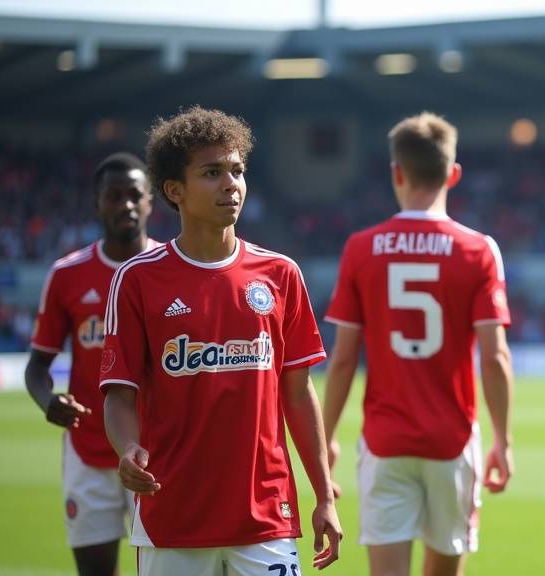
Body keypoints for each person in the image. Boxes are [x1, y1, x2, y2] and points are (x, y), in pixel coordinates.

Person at [99, 106, 342, 574]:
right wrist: (127, 448)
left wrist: (324, 493)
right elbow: (118, 393)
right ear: (174, 190)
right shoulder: (136, 281)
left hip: (267, 517)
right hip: (173, 516)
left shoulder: (280, 274)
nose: (231, 183)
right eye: (212, 172)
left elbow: (298, 393)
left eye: (237, 171)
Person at [323, 111, 514, 576]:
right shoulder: (479, 248)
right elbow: (494, 357)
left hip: (385, 442)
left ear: (396, 173)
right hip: (450, 440)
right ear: (453, 174)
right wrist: (503, 441)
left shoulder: (361, 247)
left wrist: (325, 438)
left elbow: (344, 358)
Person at [26, 152, 157, 576]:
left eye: (134, 195)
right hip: (87, 450)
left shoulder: (169, 271)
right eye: (113, 196)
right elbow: (36, 368)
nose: (126, 205)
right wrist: (48, 401)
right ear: (97, 202)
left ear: (151, 201)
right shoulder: (67, 274)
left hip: (157, 452)